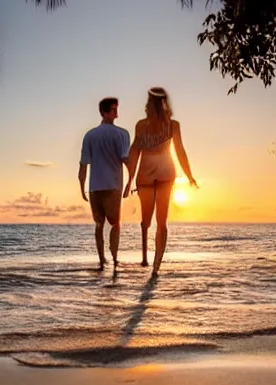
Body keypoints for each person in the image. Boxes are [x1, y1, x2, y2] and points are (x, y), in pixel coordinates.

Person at [124, 87, 198, 277]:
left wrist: (189, 176)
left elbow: (180, 151)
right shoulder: (141, 125)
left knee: (161, 221)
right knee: (148, 220)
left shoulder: (173, 126)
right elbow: (135, 151)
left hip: (165, 175)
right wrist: (129, 180)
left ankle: (155, 265)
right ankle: (146, 257)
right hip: (146, 176)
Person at [79, 97, 130, 270]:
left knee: (99, 225)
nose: (116, 113)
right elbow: (126, 160)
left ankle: (102, 260)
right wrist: (130, 181)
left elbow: (83, 165)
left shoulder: (90, 135)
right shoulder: (122, 134)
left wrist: (82, 188)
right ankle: (114, 259)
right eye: (114, 110)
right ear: (104, 112)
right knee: (115, 224)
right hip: (113, 186)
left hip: (95, 188)